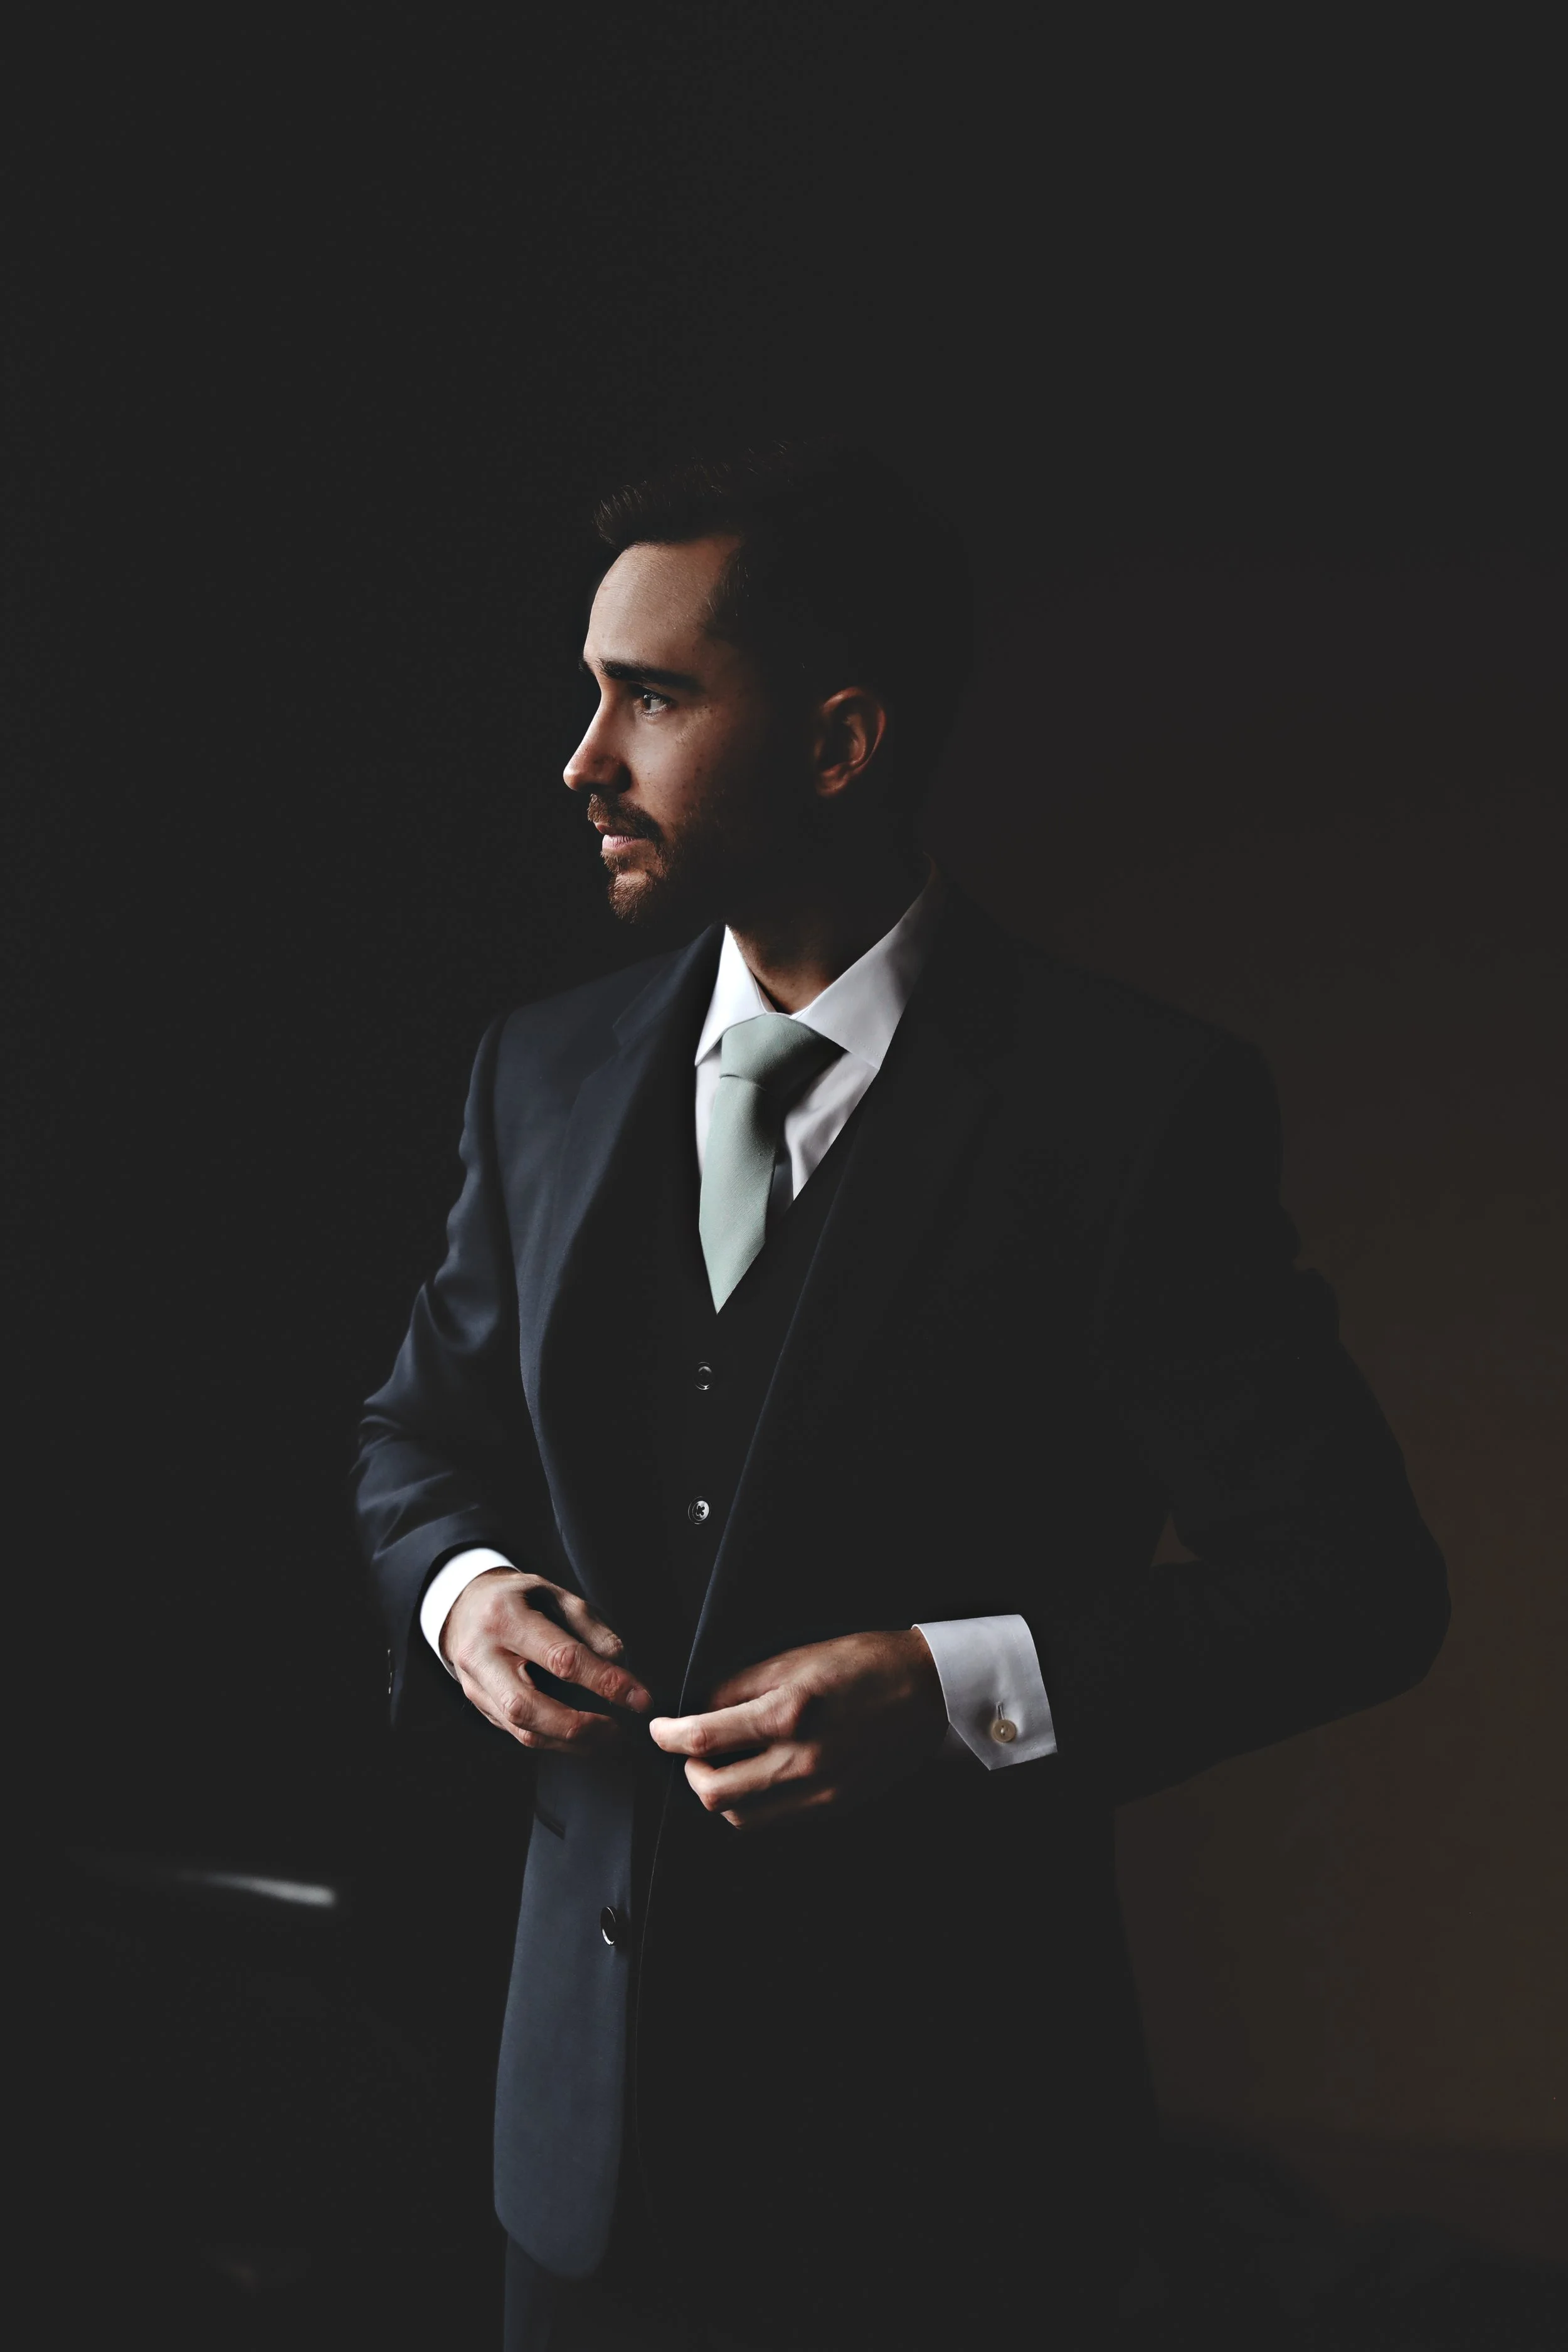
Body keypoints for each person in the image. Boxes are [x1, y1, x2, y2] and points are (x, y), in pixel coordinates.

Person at [352, 445, 1448, 2350]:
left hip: (952, 2177)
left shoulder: (1129, 1109)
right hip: (574, 2166)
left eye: (652, 696)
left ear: (842, 743)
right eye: (590, 692)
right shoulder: (533, 1073)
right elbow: (413, 1443)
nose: (582, 760)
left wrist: (955, 1691)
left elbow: (1356, 1584)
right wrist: (462, 1596)